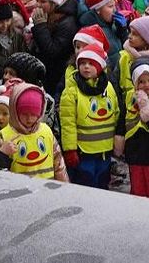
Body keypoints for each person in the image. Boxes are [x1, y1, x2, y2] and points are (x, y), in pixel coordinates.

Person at [59, 42, 118, 189]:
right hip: (83, 151)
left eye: (91, 63)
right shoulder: (71, 91)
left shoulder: (108, 87)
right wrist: (70, 149)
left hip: (105, 149)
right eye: (83, 63)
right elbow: (68, 123)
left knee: (103, 183)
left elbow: (115, 112)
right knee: (85, 184)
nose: (86, 67)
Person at [116, 56, 149, 199]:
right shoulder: (129, 97)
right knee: (137, 190)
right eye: (141, 81)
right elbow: (122, 120)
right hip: (134, 153)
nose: (146, 85)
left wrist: (146, 108)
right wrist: (119, 139)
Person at [30, 0, 80, 96]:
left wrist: (40, 26)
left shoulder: (67, 22)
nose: (39, 5)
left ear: (54, 2)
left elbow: (53, 51)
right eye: (37, 1)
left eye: (43, 1)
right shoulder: (49, 16)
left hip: (56, 75)